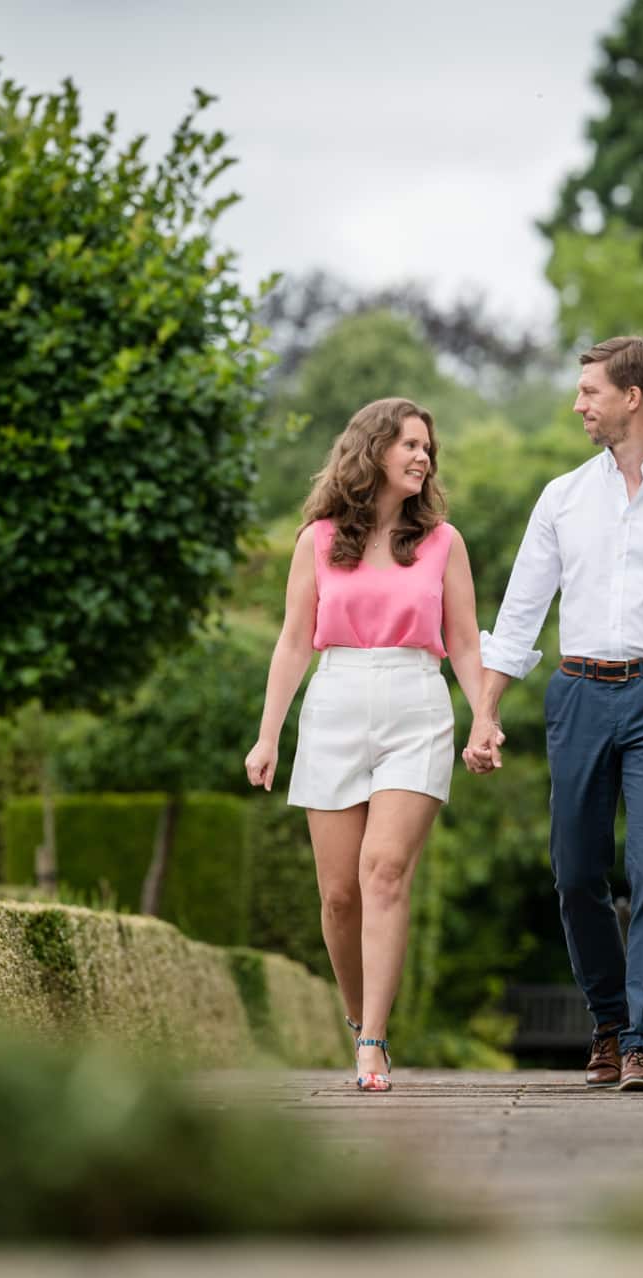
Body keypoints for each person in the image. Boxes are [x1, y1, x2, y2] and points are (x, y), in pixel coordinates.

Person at [466, 336, 643, 1094]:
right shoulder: (562, 496)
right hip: (578, 693)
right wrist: (486, 712)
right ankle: (605, 1020)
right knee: (573, 871)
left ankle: (639, 1043)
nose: (578, 404)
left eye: (590, 390)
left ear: (634, 396)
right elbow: (522, 611)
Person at [244, 396, 492, 1093]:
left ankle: (374, 1044)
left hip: (417, 702)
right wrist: (268, 737)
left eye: (428, 449)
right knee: (337, 896)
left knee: (384, 871)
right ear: (372, 450)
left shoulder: (444, 541)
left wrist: (484, 716)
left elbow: (467, 644)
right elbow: (293, 643)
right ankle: (360, 1021)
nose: (422, 457)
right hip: (335, 705)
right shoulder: (317, 541)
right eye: (410, 444)